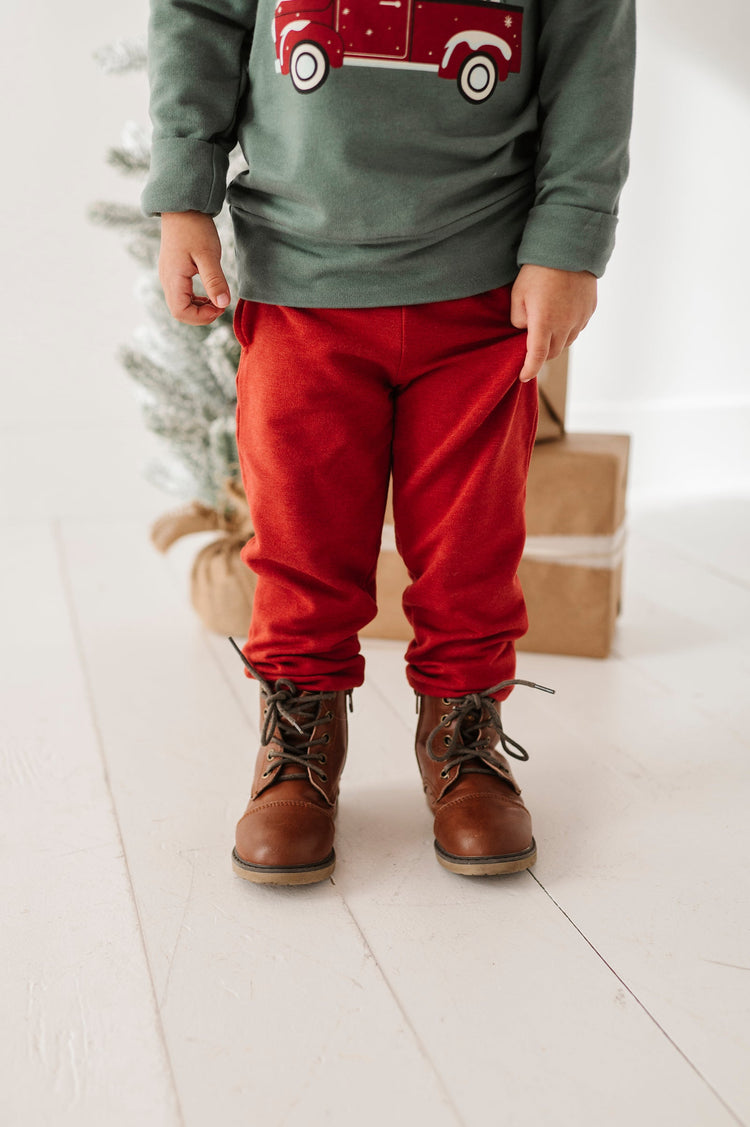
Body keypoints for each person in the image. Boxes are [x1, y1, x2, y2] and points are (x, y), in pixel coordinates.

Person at [142, 0, 635, 885]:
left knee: (472, 537)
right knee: (299, 530)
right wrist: (185, 195)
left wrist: (573, 240)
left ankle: (462, 733)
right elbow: (199, 15)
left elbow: (590, 42)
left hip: (484, 276)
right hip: (300, 272)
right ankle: (299, 740)